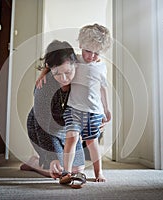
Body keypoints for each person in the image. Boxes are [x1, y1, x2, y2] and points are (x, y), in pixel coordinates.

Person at [20, 40, 86, 179]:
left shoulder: (82, 78)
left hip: (67, 131)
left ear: (76, 65)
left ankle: (44, 161)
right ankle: (34, 163)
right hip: (43, 128)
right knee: (59, 169)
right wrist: (52, 157)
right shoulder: (43, 87)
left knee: (77, 168)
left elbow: (95, 62)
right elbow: (42, 125)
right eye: (57, 73)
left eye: (68, 72)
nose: (63, 78)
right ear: (50, 69)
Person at [62, 23, 112, 183]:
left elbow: (103, 89)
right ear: (81, 45)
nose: (91, 56)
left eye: (96, 53)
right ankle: (66, 173)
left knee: (92, 141)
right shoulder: (74, 60)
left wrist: (107, 109)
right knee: (71, 137)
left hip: (94, 111)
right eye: (87, 51)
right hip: (73, 108)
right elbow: (53, 65)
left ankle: (99, 173)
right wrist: (43, 75)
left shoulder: (101, 67)